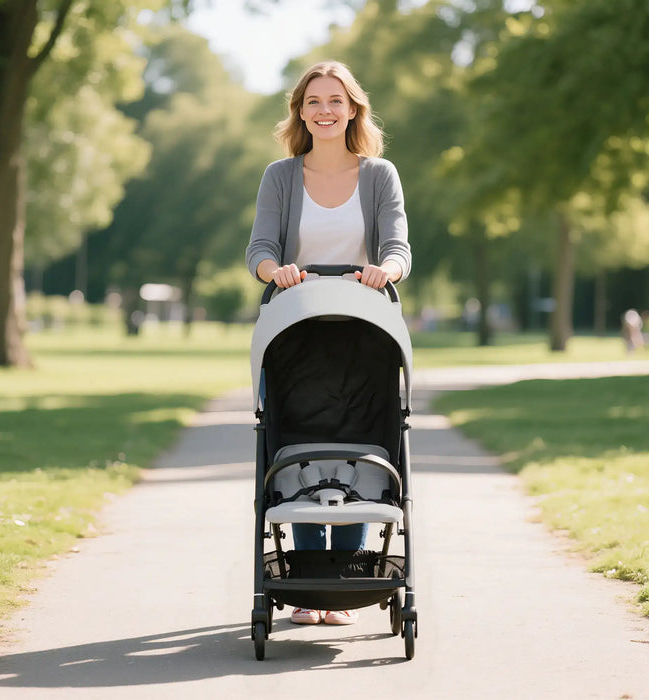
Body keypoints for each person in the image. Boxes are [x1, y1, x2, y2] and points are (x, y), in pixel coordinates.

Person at [246, 60, 411, 626]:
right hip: (294, 324)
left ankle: (344, 578)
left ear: (353, 109)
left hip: (364, 326)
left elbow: (398, 248)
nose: (324, 110)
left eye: (335, 100)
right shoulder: (280, 176)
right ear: (300, 111)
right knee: (298, 428)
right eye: (313, 101)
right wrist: (276, 271)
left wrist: (383, 270)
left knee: (362, 430)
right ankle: (303, 580)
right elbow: (260, 249)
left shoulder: (380, 175)